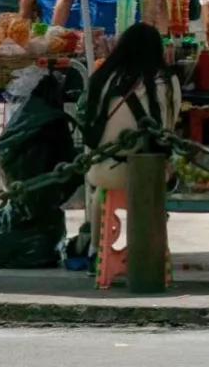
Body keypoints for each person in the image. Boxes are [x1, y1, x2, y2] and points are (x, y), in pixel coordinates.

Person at [81, 23, 182, 252]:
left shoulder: (102, 79)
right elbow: (168, 129)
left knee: (103, 193)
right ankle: (150, 247)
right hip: (147, 173)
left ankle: (96, 250)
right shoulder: (167, 82)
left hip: (103, 173)